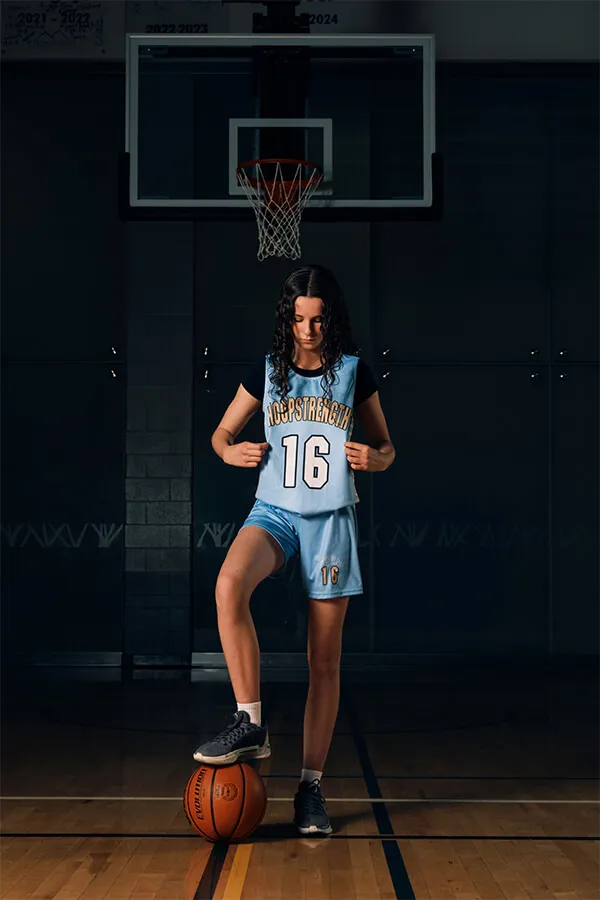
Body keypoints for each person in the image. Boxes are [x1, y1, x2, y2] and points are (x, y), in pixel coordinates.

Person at [193, 264, 395, 835]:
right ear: (289, 318)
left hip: (331, 520)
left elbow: (387, 447)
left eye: (319, 318)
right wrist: (229, 452)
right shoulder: (268, 373)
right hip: (275, 512)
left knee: (322, 663)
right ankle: (249, 721)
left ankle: (310, 788)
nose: (309, 329)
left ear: (333, 318)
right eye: (300, 319)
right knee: (229, 585)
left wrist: (375, 459)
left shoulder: (355, 374)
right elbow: (220, 435)